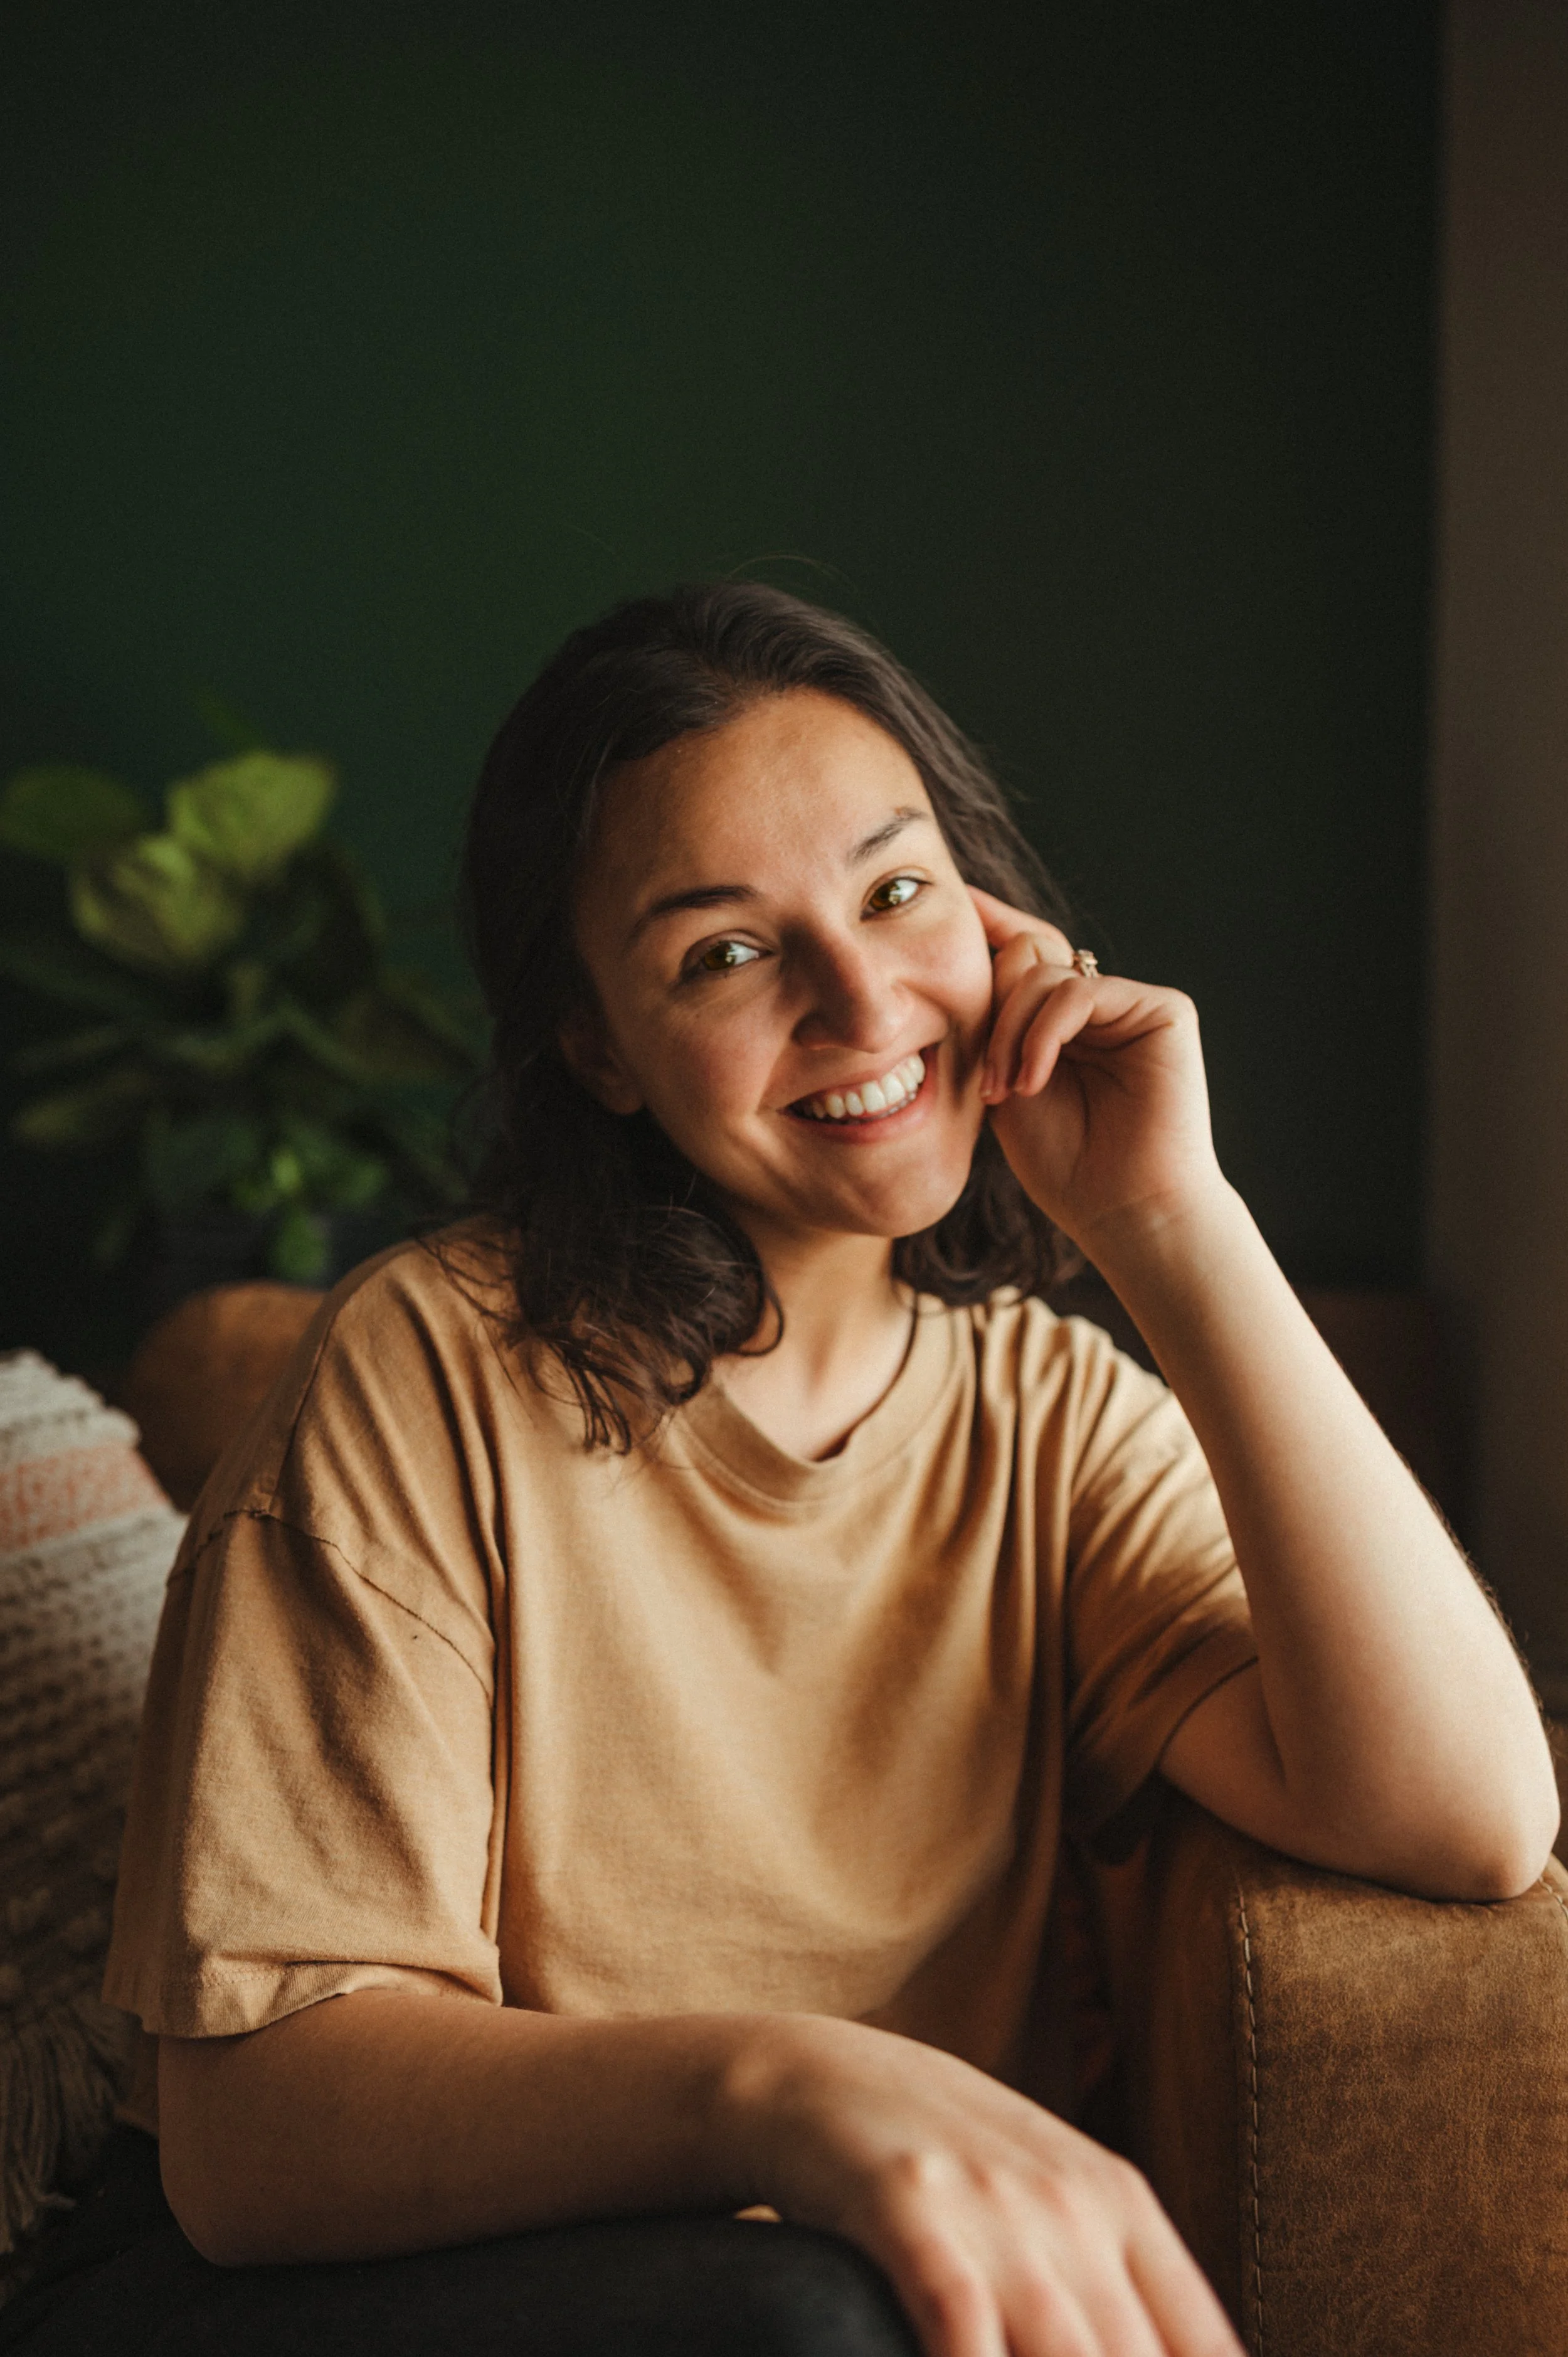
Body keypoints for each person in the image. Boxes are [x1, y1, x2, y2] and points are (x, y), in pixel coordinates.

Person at [8, 583, 1555, 2357]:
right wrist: (786, 2092)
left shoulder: (1047, 1422)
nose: (854, 995)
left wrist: (1170, 1225)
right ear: (595, 1045)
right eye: (725, 949)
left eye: (895, 891)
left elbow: (1467, 1815)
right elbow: (254, 2137)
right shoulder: (422, 1367)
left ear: (995, 923)